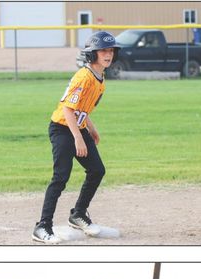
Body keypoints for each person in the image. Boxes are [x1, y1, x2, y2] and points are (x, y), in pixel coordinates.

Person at [32, 31, 120, 243]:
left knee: (97, 170)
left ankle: (78, 214)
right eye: (103, 51)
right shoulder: (83, 77)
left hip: (78, 127)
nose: (108, 54)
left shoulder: (100, 79)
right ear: (92, 54)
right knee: (61, 177)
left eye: (110, 50)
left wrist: (91, 128)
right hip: (62, 129)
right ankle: (42, 226)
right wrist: (78, 139)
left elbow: (83, 109)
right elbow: (67, 111)